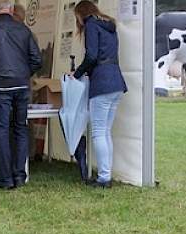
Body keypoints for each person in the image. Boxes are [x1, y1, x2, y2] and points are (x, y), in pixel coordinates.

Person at [0, 0, 41, 190]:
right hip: (22, 85)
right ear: (12, 10)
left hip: (0, 86)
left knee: (1, 131)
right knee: (20, 129)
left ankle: (5, 179)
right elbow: (37, 59)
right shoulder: (23, 29)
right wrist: (23, 74)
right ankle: (19, 175)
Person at [71, 1, 127, 188]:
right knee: (105, 132)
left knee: (98, 133)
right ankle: (106, 174)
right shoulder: (109, 26)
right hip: (116, 81)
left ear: (80, 14)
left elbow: (92, 56)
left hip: (102, 82)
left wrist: (77, 74)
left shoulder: (91, 25)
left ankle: (104, 178)